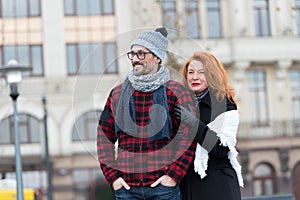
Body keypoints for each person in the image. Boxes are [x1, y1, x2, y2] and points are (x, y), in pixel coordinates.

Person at [97, 27, 196, 200]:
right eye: (133, 54)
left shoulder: (176, 92)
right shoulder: (117, 94)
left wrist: (172, 176)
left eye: (141, 54)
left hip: (163, 188)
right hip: (127, 189)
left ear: (157, 57)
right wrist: (114, 178)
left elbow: (188, 137)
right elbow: (103, 138)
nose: (135, 59)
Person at [174, 51, 244, 200]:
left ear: (211, 75)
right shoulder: (180, 104)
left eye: (201, 73)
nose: (194, 77)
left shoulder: (224, 104)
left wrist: (192, 122)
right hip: (187, 186)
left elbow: (220, 148)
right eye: (190, 72)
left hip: (217, 186)